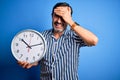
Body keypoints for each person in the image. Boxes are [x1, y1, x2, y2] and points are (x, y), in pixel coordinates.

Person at [18, 2, 98, 80]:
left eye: (63, 17)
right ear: (52, 16)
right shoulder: (41, 36)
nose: (59, 21)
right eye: (56, 16)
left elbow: (94, 40)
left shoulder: (75, 36)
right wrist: (31, 63)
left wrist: (70, 21)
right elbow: (38, 60)